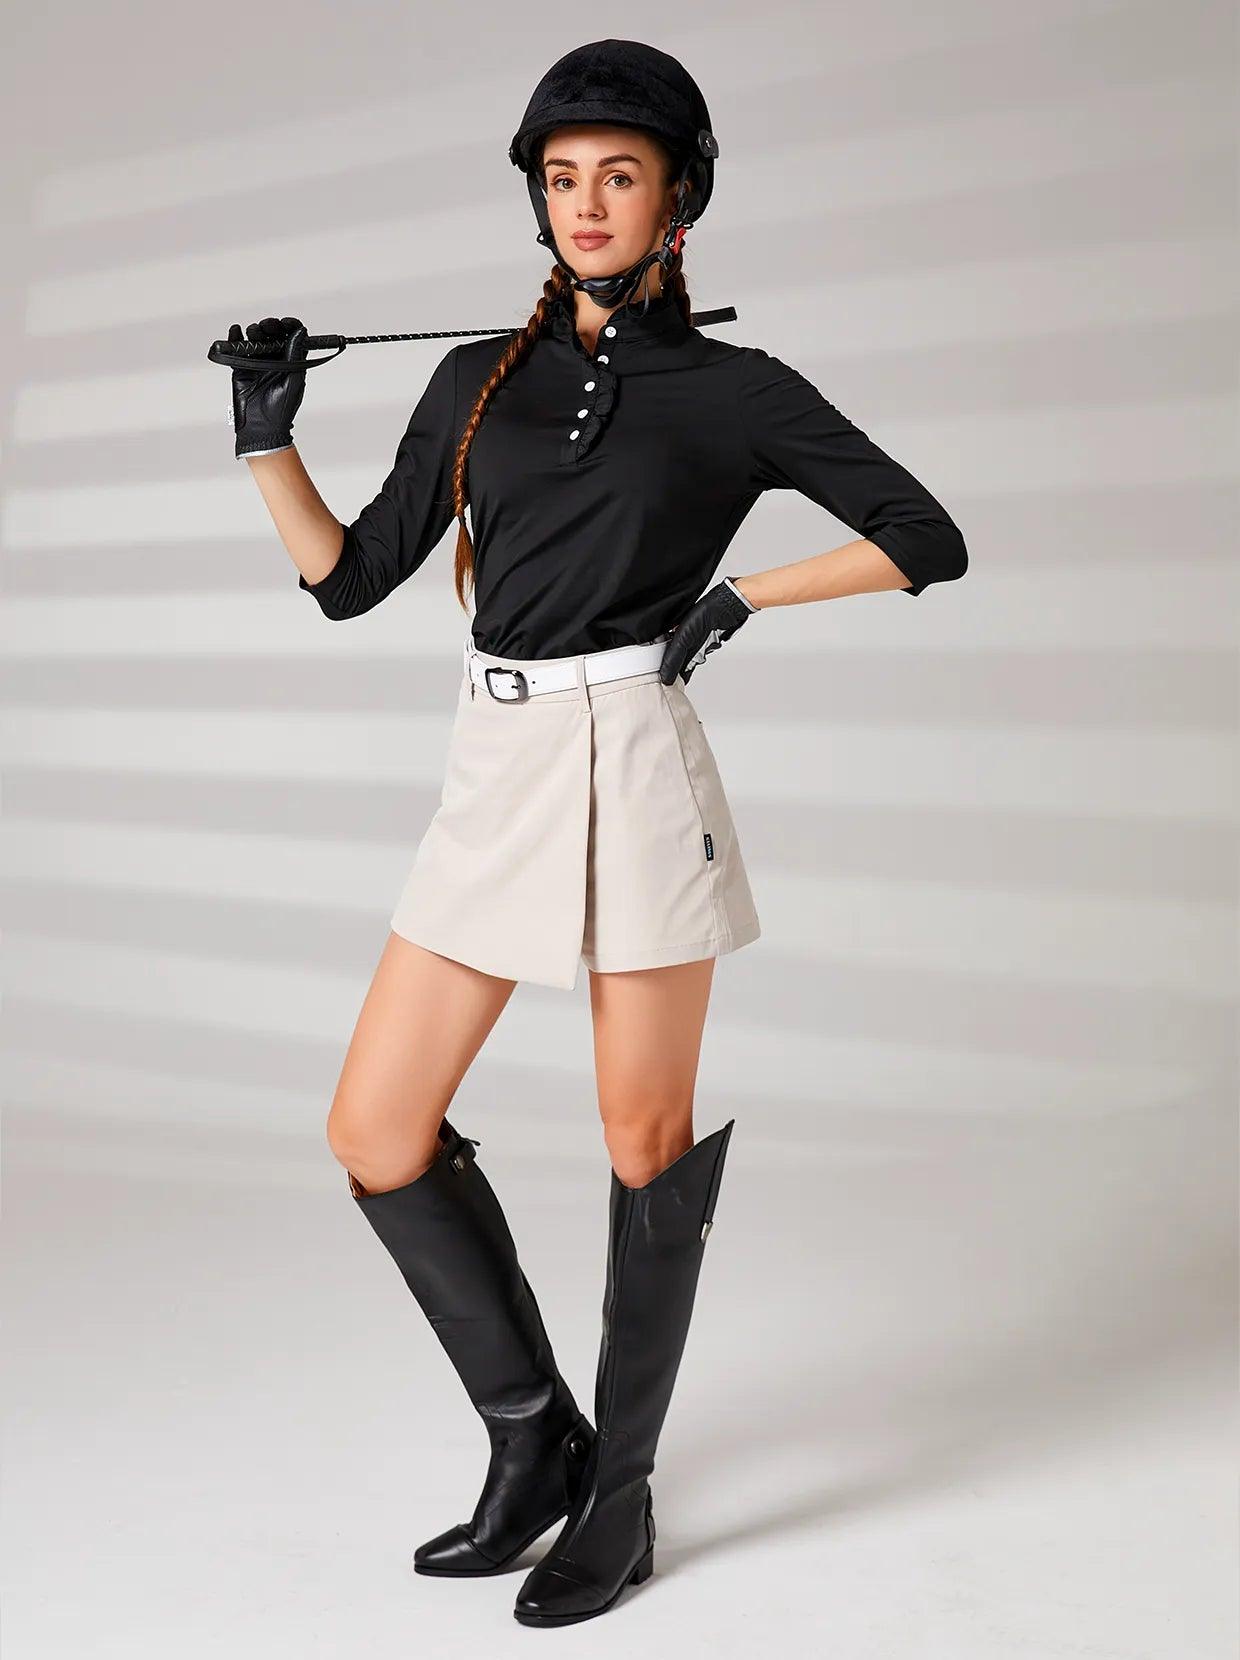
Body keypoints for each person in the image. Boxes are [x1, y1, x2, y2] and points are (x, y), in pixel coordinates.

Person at [227, 38, 968, 1628]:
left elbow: (927, 537)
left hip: (636, 762)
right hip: (496, 763)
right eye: (562, 178)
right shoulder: (475, 380)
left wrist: (745, 593)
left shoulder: (737, 392)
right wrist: (265, 436)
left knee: (645, 1142)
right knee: (375, 1128)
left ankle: (616, 1501)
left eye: (618, 176)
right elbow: (352, 581)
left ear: (677, 199)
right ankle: (534, 1439)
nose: (586, 203)